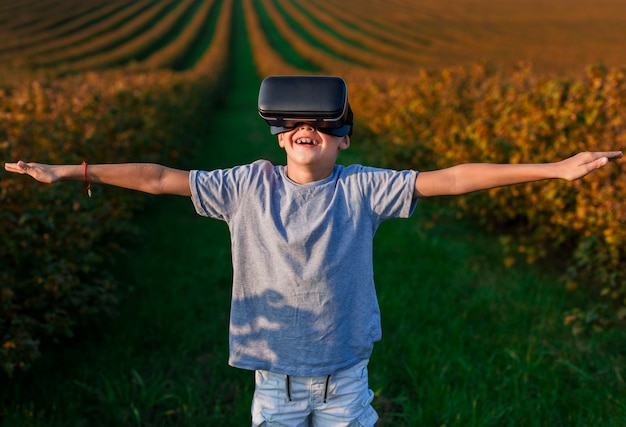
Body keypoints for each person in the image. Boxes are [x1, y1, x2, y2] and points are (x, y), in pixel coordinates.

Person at [3, 75, 623, 427]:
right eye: (299, 124)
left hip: (345, 381)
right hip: (273, 380)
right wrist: (72, 170)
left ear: (343, 139)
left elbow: (454, 177)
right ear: (279, 131)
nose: (311, 132)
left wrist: (555, 170)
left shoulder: (363, 188)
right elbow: (160, 176)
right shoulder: (246, 185)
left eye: (325, 126)